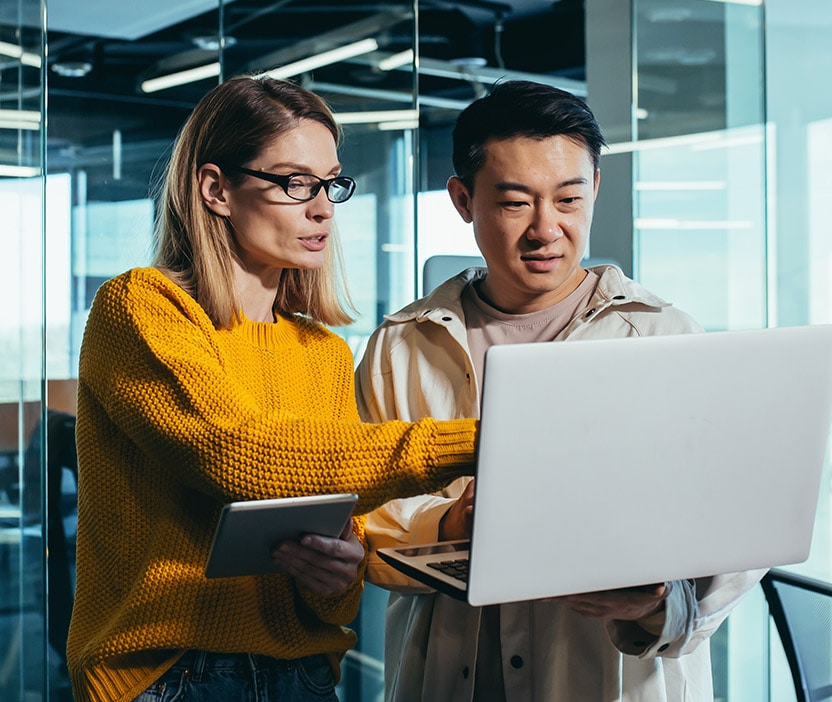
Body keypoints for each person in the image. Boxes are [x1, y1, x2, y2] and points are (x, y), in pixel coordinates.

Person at [65, 75, 479, 702]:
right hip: (169, 677)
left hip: (303, 677)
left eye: (330, 184)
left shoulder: (324, 353)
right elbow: (238, 453)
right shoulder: (141, 308)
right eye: (294, 182)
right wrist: (486, 439)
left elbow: (342, 578)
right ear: (216, 189)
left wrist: (336, 571)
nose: (321, 208)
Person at [356, 80, 765, 702]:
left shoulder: (663, 334)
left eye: (569, 199)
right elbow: (360, 516)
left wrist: (657, 603)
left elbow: (739, 527)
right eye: (516, 203)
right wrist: (450, 523)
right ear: (463, 200)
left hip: (604, 677)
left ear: (595, 189)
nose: (547, 229)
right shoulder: (402, 346)